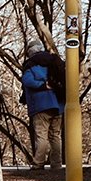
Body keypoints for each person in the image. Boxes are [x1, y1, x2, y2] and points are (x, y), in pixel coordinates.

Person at [21, 41, 65, 170]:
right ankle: (56, 164)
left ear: (30, 52)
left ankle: (38, 163)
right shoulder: (54, 61)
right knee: (55, 135)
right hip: (58, 104)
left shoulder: (31, 65)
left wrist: (41, 85)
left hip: (40, 105)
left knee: (41, 135)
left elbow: (27, 80)